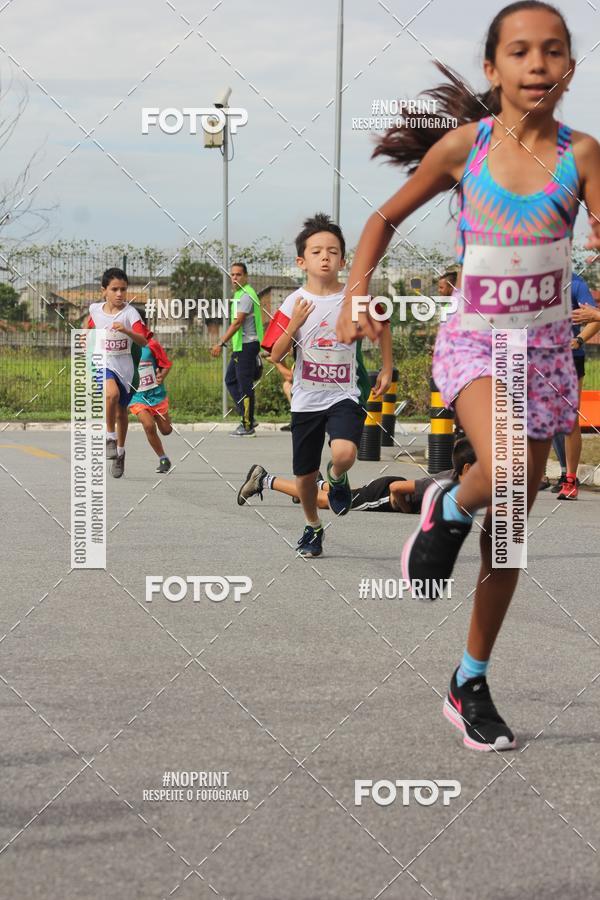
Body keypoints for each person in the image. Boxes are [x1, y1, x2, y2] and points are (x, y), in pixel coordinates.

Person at [336, 2, 600, 750]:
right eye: (520, 52)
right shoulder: (466, 148)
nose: (538, 64)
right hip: (476, 343)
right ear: (494, 69)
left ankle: (469, 679)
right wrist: (358, 292)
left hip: (546, 354)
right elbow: (384, 218)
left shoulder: (584, 155)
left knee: (511, 529)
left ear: (570, 69)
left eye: (553, 51)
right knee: (508, 467)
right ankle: (447, 505)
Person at [263, 212, 393, 558]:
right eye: (317, 251)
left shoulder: (353, 296)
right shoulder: (293, 302)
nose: (325, 257)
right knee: (305, 478)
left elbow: (382, 321)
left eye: (332, 251)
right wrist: (296, 323)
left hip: (344, 394)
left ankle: (336, 477)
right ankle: (312, 525)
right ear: (301, 260)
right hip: (306, 400)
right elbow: (274, 353)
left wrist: (387, 367)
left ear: (343, 259)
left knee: (345, 453)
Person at [237, 438, 476, 512]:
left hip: (385, 486)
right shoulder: (445, 483)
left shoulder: (458, 480)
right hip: (385, 493)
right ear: (466, 469)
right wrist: (405, 509)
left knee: (347, 494)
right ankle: (265, 479)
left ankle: (319, 482)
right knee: (325, 504)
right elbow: (396, 490)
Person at [539, 271, 599, 494]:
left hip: (570, 357)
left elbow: (595, 318)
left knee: (570, 417)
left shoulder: (576, 284)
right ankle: (538, 473)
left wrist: (579, 339)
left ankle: (570, 479)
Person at [88, 267, 148, 478]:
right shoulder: (94, 309)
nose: (120, 294)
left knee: (122, 413)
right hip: (104, 363)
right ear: (104, 290)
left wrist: (126, 331)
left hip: (127, 369)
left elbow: (143, 340)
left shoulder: (130, 313)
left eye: (123, 289)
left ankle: (120, 453)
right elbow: (89, 329)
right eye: (115, 289)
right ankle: (109, 437)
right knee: (110, 394)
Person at [211, 262, 264, 436]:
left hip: (248, 346)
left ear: (246, 276)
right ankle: (248, 415)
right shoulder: (240, 294)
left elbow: (237, 322)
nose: (234, 278)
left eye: (238, 275)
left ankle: (247, 425)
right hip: (241, 346)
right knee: (231, 379)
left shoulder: (246, 295)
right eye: (232, 275)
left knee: (244, 385)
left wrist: (220, 342)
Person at [128, 335, 174, 474]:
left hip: (156, 394)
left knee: (166, 430)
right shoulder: (124, 346)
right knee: (148, 425)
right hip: (137, 396)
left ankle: (154, 414)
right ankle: (163, 458)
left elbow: (166, 364)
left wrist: (162, 375)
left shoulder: (152, 345)